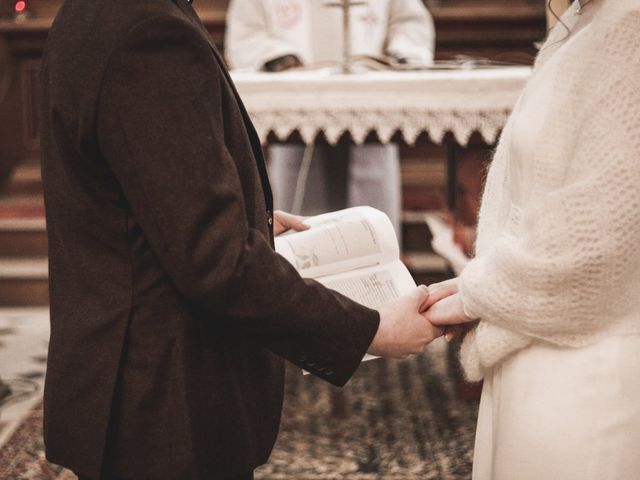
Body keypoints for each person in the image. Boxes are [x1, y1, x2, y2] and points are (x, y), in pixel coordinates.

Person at [39, 0, 443, 479]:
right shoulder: (149, 34)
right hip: (165, 395)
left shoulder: (94, 11)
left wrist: (239, 218)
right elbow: (217, 262)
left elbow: (132, 192)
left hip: (128, 374)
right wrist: (370, 329)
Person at [424, 1, 640, 479]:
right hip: (536, 340)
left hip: (586, 372)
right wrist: (475, 289)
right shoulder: (587, 21)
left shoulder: (631, 27)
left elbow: (598, 236)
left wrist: (472, 297)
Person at [225, 0, 436, 236]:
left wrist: (400, 53)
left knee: (373, 220)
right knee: (299, 215)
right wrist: (277, 56)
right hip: (296, 99)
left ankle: (374, 263)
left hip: (368, 100)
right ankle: (298, 267)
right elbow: (247, 31)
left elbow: (408, 22)